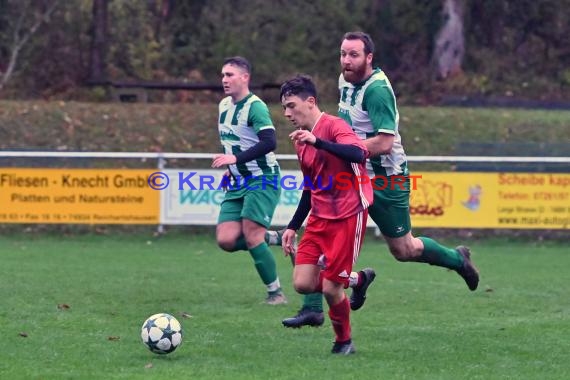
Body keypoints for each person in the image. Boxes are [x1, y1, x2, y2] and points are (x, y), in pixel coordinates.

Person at [281, 31, 480, 327]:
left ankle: (456, 259)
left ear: (369, 58)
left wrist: (347, 151)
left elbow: (385, 142)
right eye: (343, 54)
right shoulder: (344, 80)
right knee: (320, 226)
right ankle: (313, 307)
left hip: (386, 178)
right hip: (350, 175)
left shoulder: (377, 90)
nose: (346, 61)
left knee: (404, 249)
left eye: (354, 55)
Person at [279, 75, 375, 354]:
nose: (287, 113)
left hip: (348, 216)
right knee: (303, 283)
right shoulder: (300, 141)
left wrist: (318, 142)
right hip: (320, 219)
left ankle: (343, 341)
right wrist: (292, 226)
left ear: (310, 102)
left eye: (291, 106)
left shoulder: (334, 126)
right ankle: (357, 279)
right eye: (284, 107)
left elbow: (358, 154)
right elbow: (311, 187)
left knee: (332, 289)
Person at [211, 56, 286, 305]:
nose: (224, 79)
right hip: (238, 181)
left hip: (262, 179)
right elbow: (235, 141)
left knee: (252, 235)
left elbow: (269, 142)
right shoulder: (223, 106)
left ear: (245, 77)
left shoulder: (255, 107)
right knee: (226, 240)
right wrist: (232, 169)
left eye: (230, 75)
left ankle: (276, 293)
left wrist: (234, 159)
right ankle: (278, 237)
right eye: (223, 75)